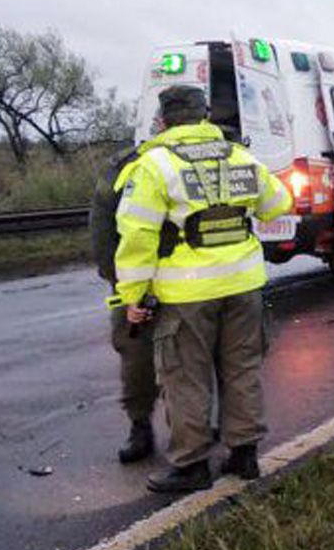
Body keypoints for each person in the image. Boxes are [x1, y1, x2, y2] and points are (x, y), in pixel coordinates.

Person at [112, 85, 292, 493]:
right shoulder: (239, 155)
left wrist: (133, 296)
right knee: (242, 369)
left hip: (186, 295)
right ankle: (244, 456)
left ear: (163, 120)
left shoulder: (155, 165)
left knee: (185, 378)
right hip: (245, 285)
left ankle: (191, 465)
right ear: (204, 116)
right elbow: (279, 203)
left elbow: (136, 236)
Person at [92, 141, 164, 463]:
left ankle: (146, 428)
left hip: (175, 278)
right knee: (139, 357)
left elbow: (101, 230)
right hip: (155, 278)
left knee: (143, 354)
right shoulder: (127, 166)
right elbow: (103, 228)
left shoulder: (131, 164)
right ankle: (143, 426)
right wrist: (120, 283)